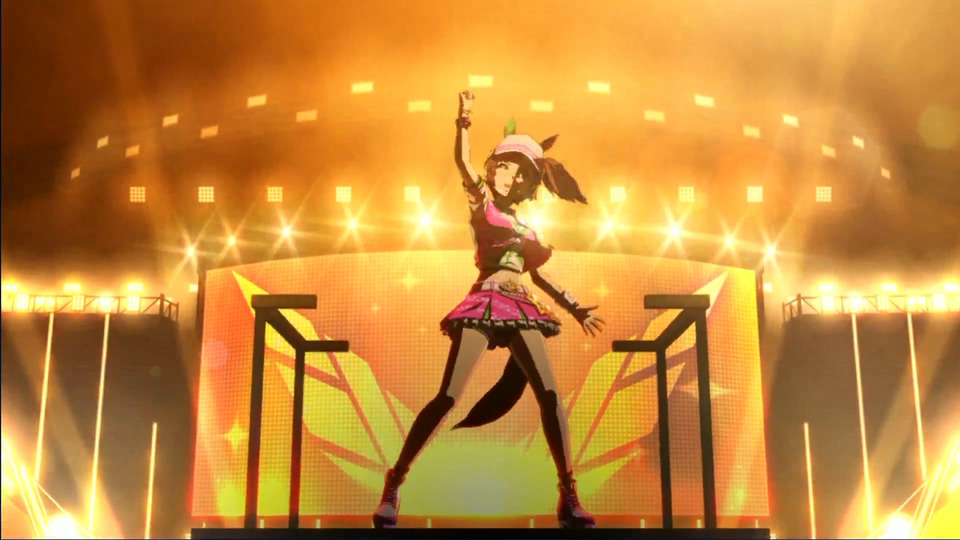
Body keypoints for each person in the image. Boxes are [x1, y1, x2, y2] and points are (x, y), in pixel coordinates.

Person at [373, 90, 605, 529]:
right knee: (448, 395)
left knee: (549, 395)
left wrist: (575, 308)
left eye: (514, 170)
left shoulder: (526, 228)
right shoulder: (482, 204)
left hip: (521, 306)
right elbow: (463, 162)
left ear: (525, 183)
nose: (503, 173)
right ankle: (395, 482)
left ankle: (569, 495)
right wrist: (464, 119)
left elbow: (539, 276)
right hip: (484, 300)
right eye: (500, 165)